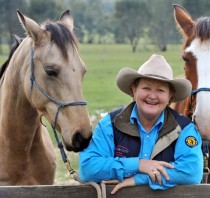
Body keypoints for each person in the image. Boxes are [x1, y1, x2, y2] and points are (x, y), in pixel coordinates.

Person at [79, 54, 203, 194]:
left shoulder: (184, 129)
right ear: (134, 89)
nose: (152, 96)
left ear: (170, 96)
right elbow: (88, 168)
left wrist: (138, 179)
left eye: (160, 90)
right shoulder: (110, 124)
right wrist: (139, 165)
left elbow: (191, 172)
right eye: (146, 88)